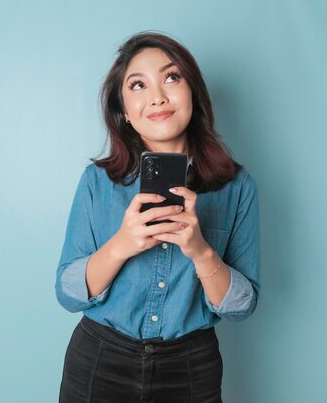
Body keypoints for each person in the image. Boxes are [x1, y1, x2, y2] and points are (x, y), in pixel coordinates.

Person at [55, 31, 260, 403]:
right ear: (124, 113)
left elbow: (242, 306)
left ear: (193, 94)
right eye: (138, 85)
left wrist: (201, 251)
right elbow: (68, 294)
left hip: (191, 369)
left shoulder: (237, 187)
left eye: (171, 77)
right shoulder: (97, 183)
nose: (157, 96)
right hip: (100, 361)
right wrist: (121, 245)